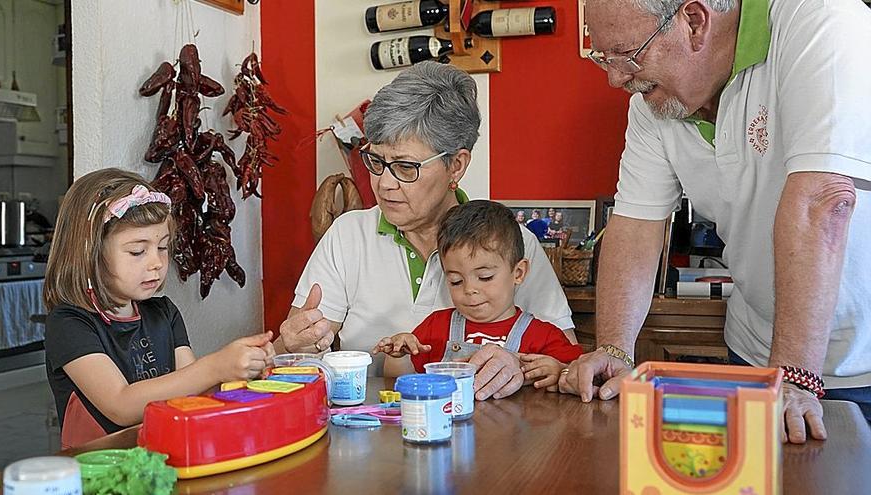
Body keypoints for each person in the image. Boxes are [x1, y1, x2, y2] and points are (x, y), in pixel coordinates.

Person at [561, 0, 871, 443]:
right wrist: (614, 349)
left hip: (858, 357)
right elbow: (635, 224)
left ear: (694, 22)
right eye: (604, 59)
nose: (617, 79)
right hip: (757, 352)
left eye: (629, 55)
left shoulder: (822, 22)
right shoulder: (653, 104)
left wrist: (796, 375)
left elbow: (822, 201)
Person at [275, 61, 574, 401]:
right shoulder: (348, 235)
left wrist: (516, 367)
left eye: (405, 167)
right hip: (372, 429)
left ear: (456, 165)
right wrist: (290, 346)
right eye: (376, 161)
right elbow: (287, 358)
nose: (384, 184)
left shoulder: (511, 243)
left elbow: (565, 366)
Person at [44, 169, 275, 448]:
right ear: (89, 251)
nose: (156, 262)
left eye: (163, 247)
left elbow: (194, 392)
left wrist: (243, 366)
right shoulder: (69, 324)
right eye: (137, 251)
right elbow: (120, 404)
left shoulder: (164, 313)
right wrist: (215, 367)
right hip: (101, 475)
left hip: (164, 459)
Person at [372, 200, 582, 392]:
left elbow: (580, 376)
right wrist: (399, 356)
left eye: (485, 277)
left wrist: (559, 372)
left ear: (518, 273)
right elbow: (399, 383)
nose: (469, 289)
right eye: (455, 281)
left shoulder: (543, 336)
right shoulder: (435, 327)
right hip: (449, 430)